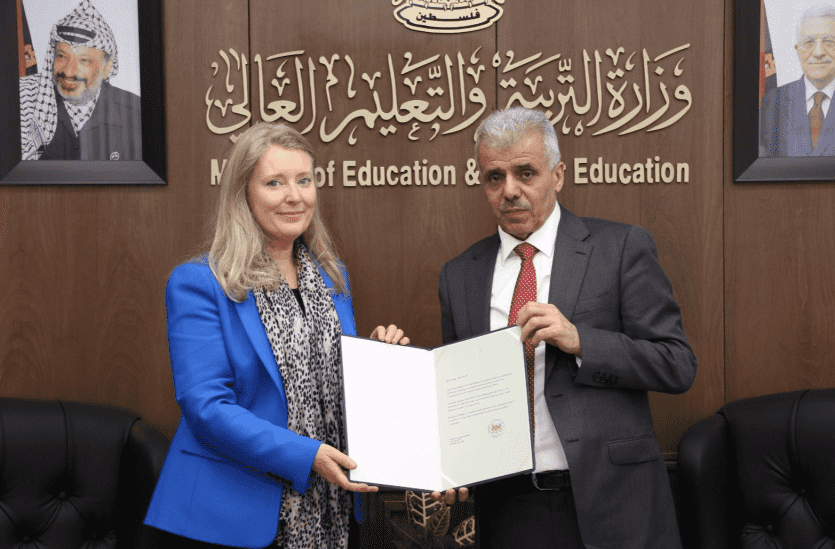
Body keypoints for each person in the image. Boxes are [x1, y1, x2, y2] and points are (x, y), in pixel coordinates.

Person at [435, 107, 696, 548]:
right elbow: (457, 394)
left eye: (525, 173)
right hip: (508, 507)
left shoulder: (619, 247)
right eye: (495, 177)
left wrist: (580, 342)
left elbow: (677, 364)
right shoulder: (459, 275)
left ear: (557, 175)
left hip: (614, 501)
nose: (509, 190)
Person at [144, 122, 408, 548]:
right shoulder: (200, 282)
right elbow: (206, 406)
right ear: (243, 193)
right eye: (274, 183)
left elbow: (330, 384)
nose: (294, 196)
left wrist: (377, 361)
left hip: (332, 509)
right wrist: (305, 455)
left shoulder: (331, 278)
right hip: (231, 515)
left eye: (304, 180)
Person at [19, 0, 141, 161]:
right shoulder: (27, 102)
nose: (68, 71)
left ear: (106, 68)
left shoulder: (136, 114)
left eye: (84, 60)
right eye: (62, 56)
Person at [760, 4, 835, 156]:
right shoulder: (773, 102)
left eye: (829, 41)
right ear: (798, 50)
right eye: (809, 42)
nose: (818, 52)